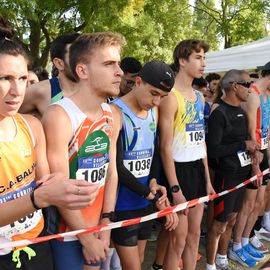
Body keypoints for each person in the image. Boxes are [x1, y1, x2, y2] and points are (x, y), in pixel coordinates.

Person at [0, 23, 99, 270]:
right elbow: (41, 195)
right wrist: (37, 198)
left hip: (37, 245)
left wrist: (70, 185)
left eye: (22, 78)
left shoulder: (32, 126)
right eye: (5, 79)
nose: (16, 90)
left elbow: (47, 183)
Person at [42, 32, 125, 270]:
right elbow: (59, 186)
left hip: (99, 227)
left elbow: (111, 173)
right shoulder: (59, 115)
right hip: (67, 233)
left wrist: (105, 226)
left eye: (118, 64)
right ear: (82, 71)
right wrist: (86, 237)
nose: (119, 71)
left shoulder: (113, 114)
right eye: (109, 64)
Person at [111, 60, 178, 270]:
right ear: (138, 82)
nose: (157, 101)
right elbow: (116, 167)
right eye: (153, 93)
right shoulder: (115, 111)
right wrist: (150, 194)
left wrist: (154, 181)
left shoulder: (153, 112)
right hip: (123, 203)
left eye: (163, 97)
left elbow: (153, 152)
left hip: (145, 201)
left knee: (139, 258)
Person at [158, 39, 215, 270]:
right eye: (198, 58)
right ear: (182, 61)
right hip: (177, 172)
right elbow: (164, 147)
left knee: (193, 238)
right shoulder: (170, 97)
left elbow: (200, 141)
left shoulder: (199, 97)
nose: (203, 63)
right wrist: (175, 188)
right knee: (177, 241)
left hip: (197, 171)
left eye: (204, 58)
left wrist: (208, 180)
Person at [206, 70, 259, 270]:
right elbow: (213, 149)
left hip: (242, 174)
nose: (250, 89)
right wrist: (243, 145)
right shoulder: (219, 113)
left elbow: (246, 142)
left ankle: (222, 258)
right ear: (234, 86)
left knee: (231, 219)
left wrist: (254, 156)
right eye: (246, 84)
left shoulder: (243, 113)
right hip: (225, 177)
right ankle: (210, 265)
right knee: (219, 224)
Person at [229, 62, 270, 267]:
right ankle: (236, 245)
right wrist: (255, 162)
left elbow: (266, 131)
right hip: (252, 155)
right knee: (248, 203)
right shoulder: (252, 94)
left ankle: (246, 239)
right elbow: (250, 131)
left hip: (263, 154)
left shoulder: (267, 96)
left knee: (258, 202)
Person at [19, 33, 80, 118]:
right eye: (77, 57)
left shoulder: (99, 90)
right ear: (59, 63)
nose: (85, 61)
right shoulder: (40, 91)